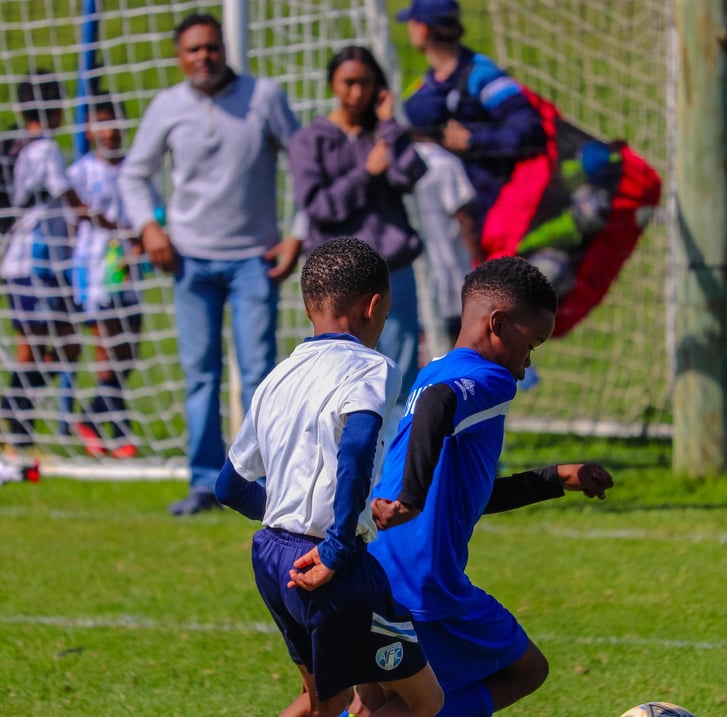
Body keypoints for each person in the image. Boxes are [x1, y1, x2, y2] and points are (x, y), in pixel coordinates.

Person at [350, 256, 614, 717]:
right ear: (498, 324)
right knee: (522, 672)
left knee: (374, 701)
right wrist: (410, 499)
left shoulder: (436, 369)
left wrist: (556, 478)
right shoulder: (489, 379)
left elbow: (465, 497)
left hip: (377, 565)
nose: (526, 366)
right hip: (424, 582)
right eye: (531, 345)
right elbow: (438, 406)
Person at [214, 236, 444, 717]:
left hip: (272, 556)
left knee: (328, 702)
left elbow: (229, 486)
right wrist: (338, 545)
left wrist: (291, 515)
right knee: (422, 701)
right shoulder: (372, 368)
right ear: (374, 306)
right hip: (330, 564)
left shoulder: (277, 376)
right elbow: (357, 449)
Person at [119, 13, 303, 514]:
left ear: (224, 49)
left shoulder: (264, 97)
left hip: (254, 262)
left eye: (211, 47)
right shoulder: (166, 107)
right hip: (190, 263)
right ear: (180, 57)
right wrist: (149, 227)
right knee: (200, 375)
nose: (203, 57)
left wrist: (298, 235)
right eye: (193, 50)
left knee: (261, 374)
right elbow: (134, 176)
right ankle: (205, 482)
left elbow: (306, 165)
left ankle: (267, 482)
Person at [288, 45, 427, 417]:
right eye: (349, 83)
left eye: (366, 84)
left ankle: (394, 468)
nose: (357, 92)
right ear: (332, 83)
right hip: (338, 278)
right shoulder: (310, 140)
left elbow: (410, 174)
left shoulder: (384, 134)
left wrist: (390, 124)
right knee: (337, 372)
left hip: (392, 267)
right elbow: (318, 206)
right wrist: (366, 172)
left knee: (398, 370)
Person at [395, 0, 547, 236]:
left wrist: (473, 139)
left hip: (497, 213)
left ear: (422, 29)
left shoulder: (482, 76)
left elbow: (530, 129)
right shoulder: (425, 87)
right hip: (448, 217)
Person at [0, 71, 92, 449]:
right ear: (54, 109)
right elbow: (70, 199)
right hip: (33, 264)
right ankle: (14, 417)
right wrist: (114, 224)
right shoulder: (46, 150)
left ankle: (15, 415)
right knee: (53, 345)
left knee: (52, 346)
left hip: (25, 264)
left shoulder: (19, 146)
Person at [68, 93, 150, 459]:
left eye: (115, 123)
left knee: (128, 352)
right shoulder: (80, 172)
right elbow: (70, 222)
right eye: (102, 123)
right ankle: (116, 430)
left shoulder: (135, 170)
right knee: (107, 353)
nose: (110, 132)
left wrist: (141, 242)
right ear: (89, 130)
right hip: (95, 274)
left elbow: (153, 212)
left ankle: (89, 417)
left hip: (128, 272)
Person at [410, 129, 479, 344]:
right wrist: (480, 262)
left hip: (412, 277)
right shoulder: (444, 162)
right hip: (450, 271)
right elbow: (463, 219)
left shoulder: (395, 157)